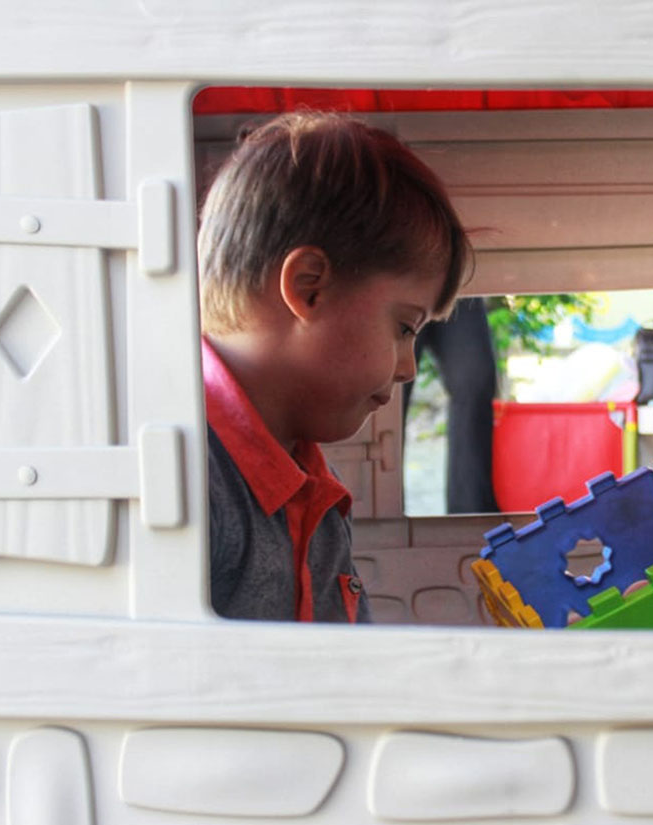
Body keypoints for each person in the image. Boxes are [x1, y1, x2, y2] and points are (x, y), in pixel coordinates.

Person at [197, 112, 471, 622]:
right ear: (309, 287)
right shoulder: (190, 478)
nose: (409, 367)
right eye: (405, 328)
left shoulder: (312, 487)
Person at [401, 296, 500, 514]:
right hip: (395, 278)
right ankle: (377, 520)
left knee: (475, 379)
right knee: (389, 392)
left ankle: (472, 516)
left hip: (459, 283)